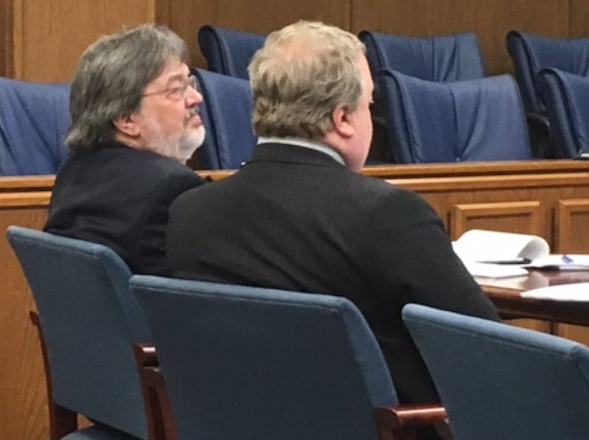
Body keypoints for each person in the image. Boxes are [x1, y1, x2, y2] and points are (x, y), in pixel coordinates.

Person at [166, 21, 500, 407]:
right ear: (342, 119)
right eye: (369, 105)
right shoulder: (387, 215)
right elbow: (488, 351)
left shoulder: (189, 214)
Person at [45, 24, 205, 275]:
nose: (196, 98)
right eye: (176, 89)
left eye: (191, 82)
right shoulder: (171, 187)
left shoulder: (73, 171)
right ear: (126, 119)